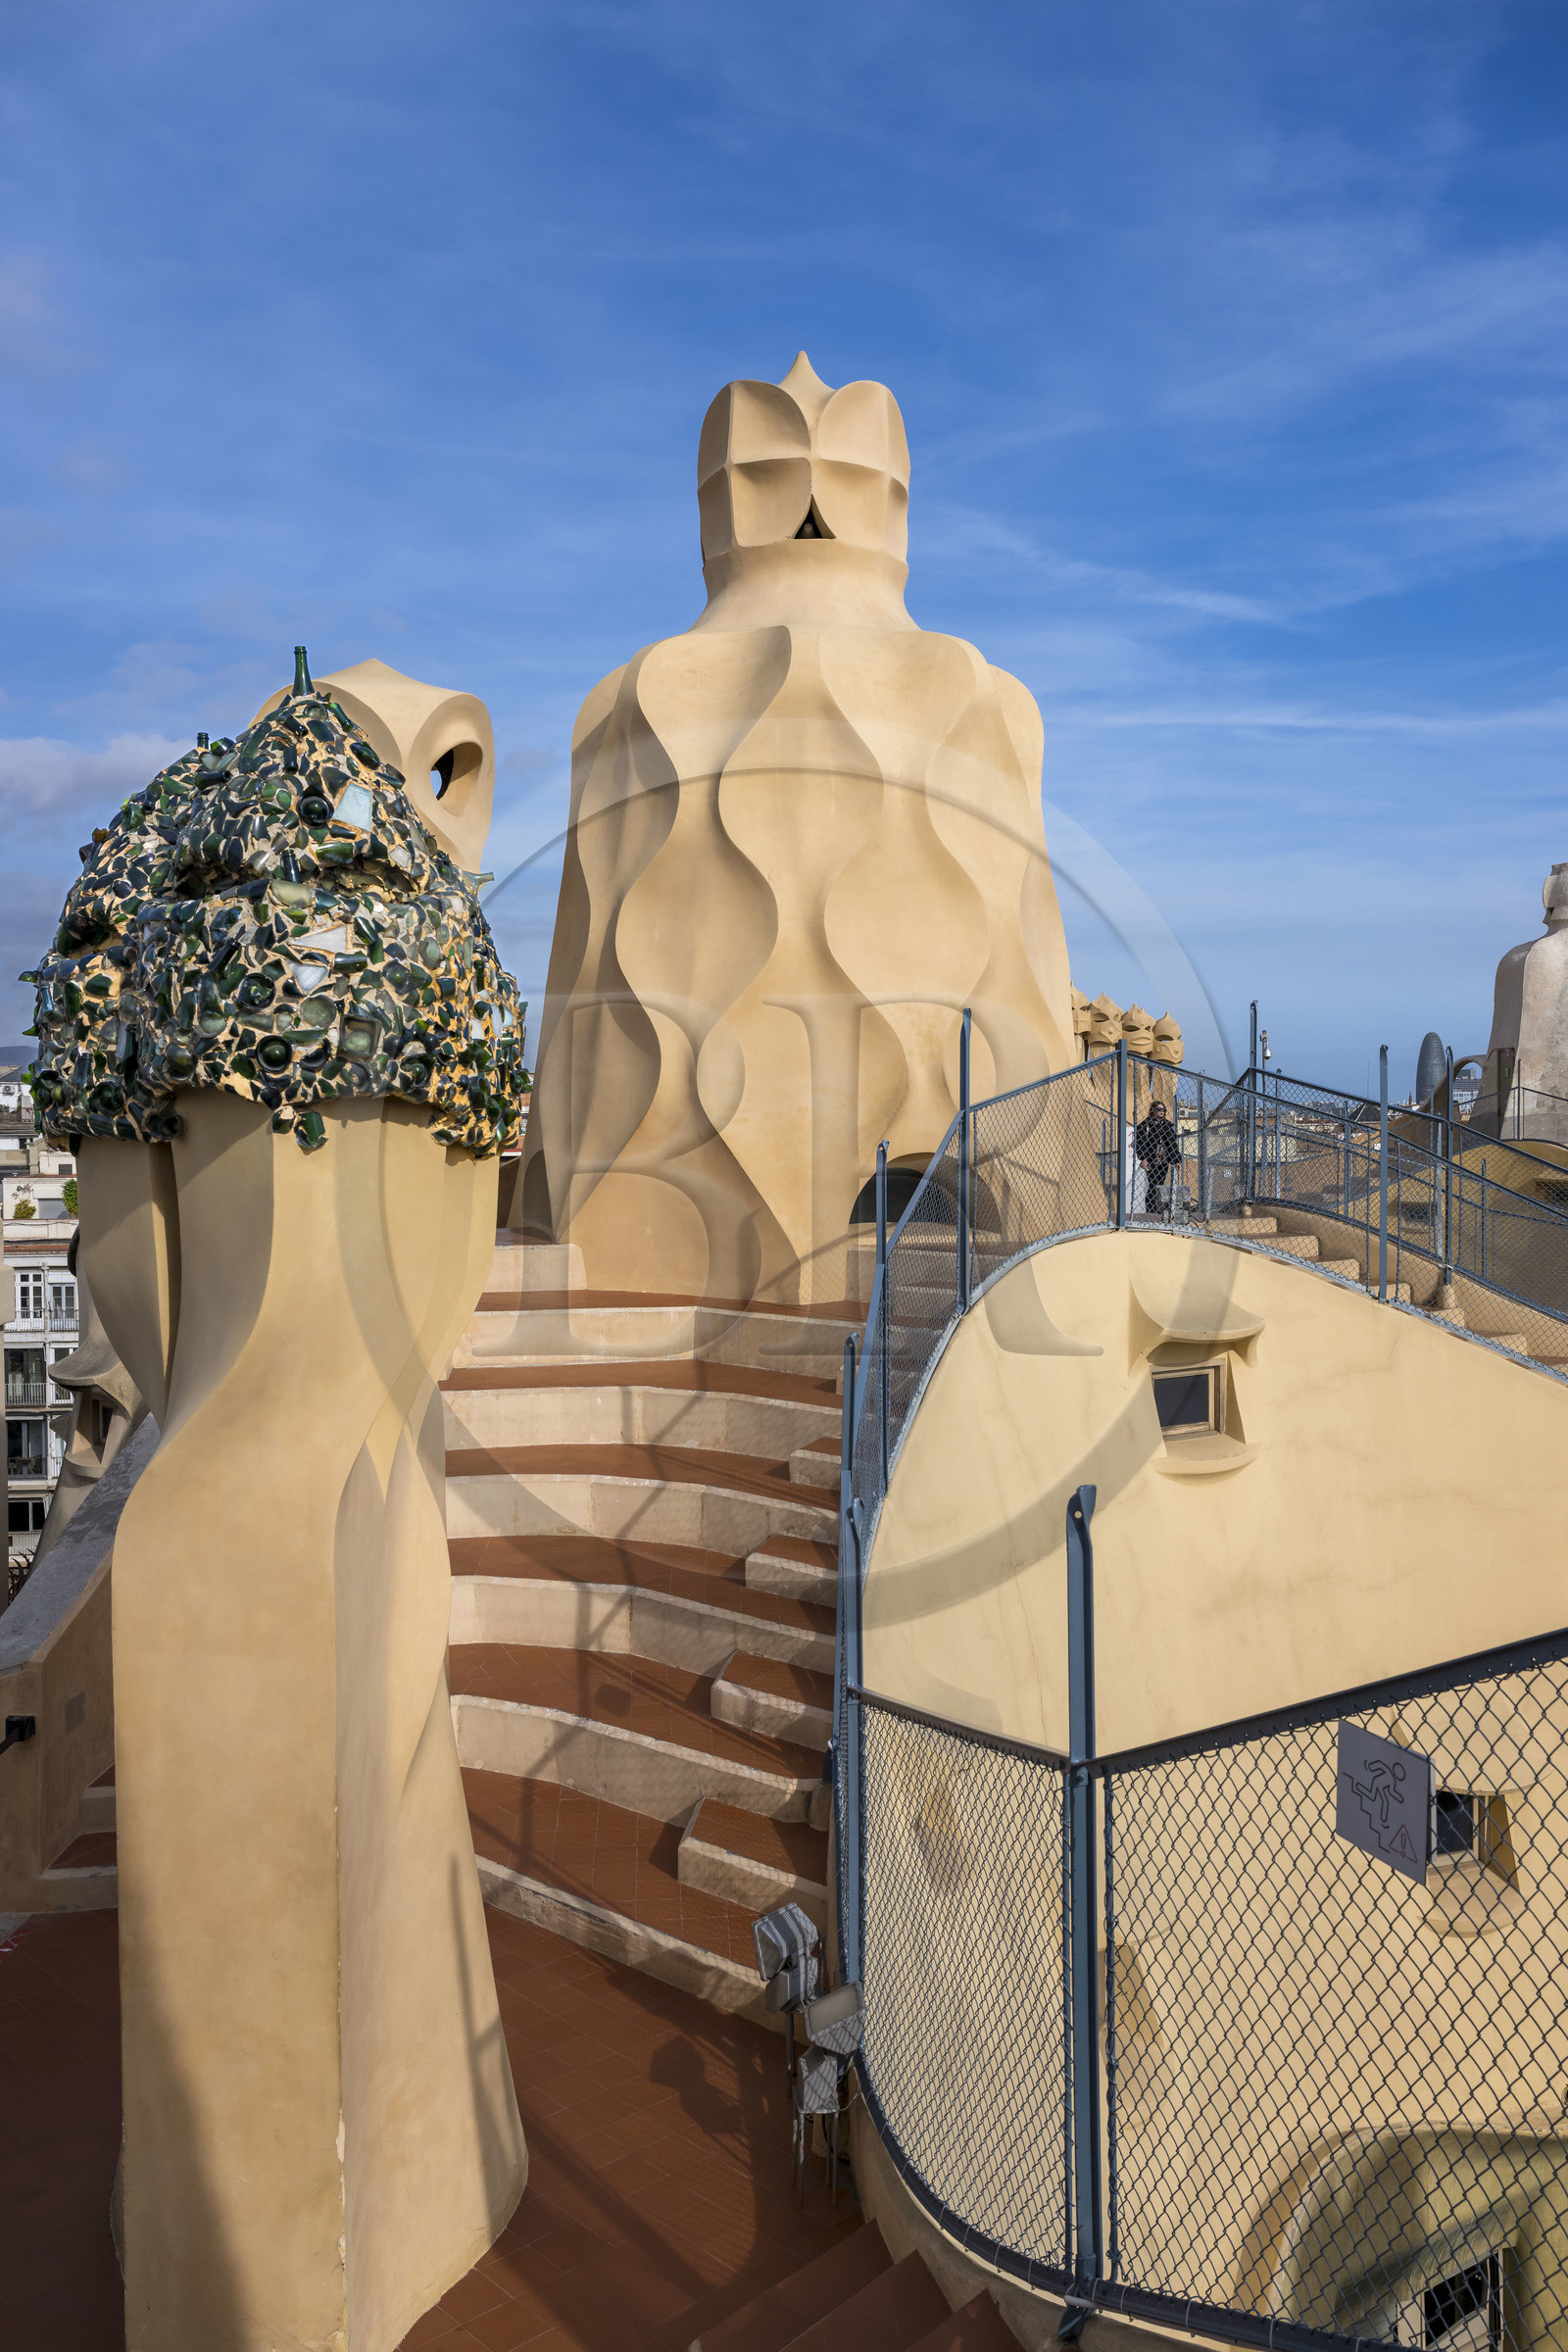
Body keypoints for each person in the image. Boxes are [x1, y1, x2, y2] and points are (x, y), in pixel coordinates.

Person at [1133, 1097, 1181, 1216]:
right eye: (1159, 1109)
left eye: (1163, 1109)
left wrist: (1176, 1160)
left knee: (1160, 1185)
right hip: (1151, 1160)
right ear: (1153, 1110)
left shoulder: (1167, 1126)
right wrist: (1144, 1158)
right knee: (1153, 1185)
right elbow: (1140, 1143)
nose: (1162, 1111)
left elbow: (1172, 1144)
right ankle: (1151, 1211)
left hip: (1164, 1160)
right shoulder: (1145, 1126)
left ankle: (1159, 1211)